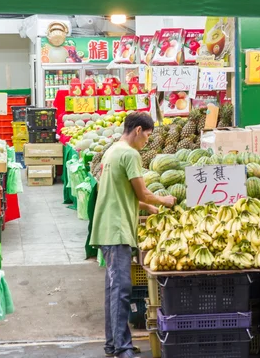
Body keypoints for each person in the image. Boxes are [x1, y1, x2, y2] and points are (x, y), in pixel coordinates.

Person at [90, 112, 176, 358]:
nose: (146, 142)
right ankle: (122, 348)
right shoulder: (130, 154)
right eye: (147, 137)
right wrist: (163, 200)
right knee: (121, 290)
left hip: (106, 227)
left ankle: (113, 343)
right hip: (116, 230)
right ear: (138, 130)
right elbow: (143, 193)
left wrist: (147, 207)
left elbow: (121, 191)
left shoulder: (113, 151)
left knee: (113, 289)